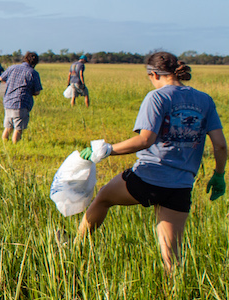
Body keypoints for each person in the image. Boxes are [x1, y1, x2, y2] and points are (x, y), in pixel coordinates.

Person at [76, 52, 226, 272]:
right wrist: (219, 175)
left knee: (103, 199)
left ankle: (76, 249)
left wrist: (107, 150)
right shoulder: (205, 100)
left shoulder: (157, 97)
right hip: (181, 185)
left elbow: (145, 140)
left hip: (148, 178)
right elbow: (221, 145)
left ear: (154, 74)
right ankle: (174, 295)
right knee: (171, 254)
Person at [0, 52, 43, 143]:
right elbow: (37, 91)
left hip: (8, 102)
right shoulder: (33, 73)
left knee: (8, 127)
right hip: (21, 103)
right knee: (18, 129)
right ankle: (15, 147)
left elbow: (1, 78)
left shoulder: (12, 68)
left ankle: (4, 145)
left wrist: (10, 83)